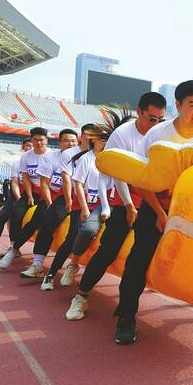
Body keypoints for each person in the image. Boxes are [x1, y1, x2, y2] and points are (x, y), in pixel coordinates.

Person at [112, 80, 193, 345]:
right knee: (138, 259)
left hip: (192, 207)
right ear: (178, 105)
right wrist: (160, 213)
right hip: (156, 204)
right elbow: (141, 178)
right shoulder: (157, 135)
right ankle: (126, 318)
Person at [65, 92, 166, 336]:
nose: (156, 124)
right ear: (140, 112)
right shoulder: (122, 135)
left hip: (153, 200)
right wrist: (130, 206)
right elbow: (120, 174)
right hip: (125, 199)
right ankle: (81, 295)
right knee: (109, 248)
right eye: (152, 118)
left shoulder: (163, 134)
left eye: (161, 119)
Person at [49, 118, 120, 288]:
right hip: (88, 205)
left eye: (108, 140)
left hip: (108, 204)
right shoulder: (85, 159)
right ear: (94, 141)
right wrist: (84, 208)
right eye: (102, 140)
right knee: (85, 230)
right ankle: (70, 264)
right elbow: (77, 184)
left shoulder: (113, 159)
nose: (105, 144)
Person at [37, 125, 96, 289]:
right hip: (81, 202)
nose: (93, 140)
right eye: (89, 136)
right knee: (73, 235)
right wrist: (75, 203)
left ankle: (74, 265)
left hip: (102, 205)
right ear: (82, 137)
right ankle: (51, 274)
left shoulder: (108, 157)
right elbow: (72, 181)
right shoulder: (80, 157)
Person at [15, 128, 80, 279]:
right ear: (59, 143)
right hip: (59, 197)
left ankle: (72, 265)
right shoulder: (51, 157)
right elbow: (44, 182)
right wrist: (50, 203)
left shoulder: (84, 157)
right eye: (66, 140)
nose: (70, 144)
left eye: (73, 141)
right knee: (46, 222)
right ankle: (37, 264)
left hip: (83, 198)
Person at [0, 128, 52, 269]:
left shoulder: (53, 156)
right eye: (36, 140)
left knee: (39, 219)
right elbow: (26, 178)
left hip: (49, 191)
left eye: (42, 140)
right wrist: (29, 196)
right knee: (16, 213)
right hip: (33, 190)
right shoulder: (27, 156)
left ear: (47, 140)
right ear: (32, 140)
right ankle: (14, 248)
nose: (39, 142)